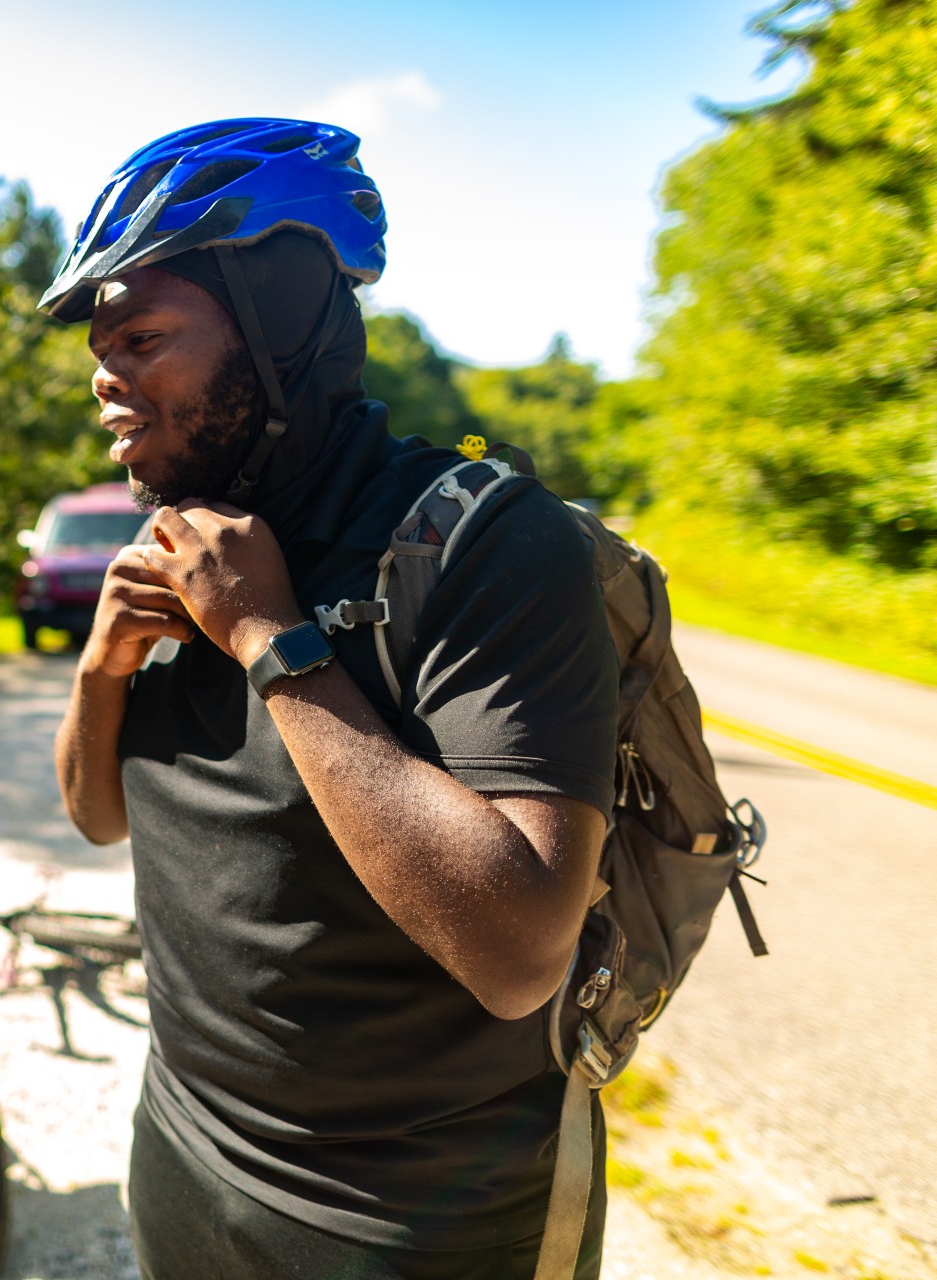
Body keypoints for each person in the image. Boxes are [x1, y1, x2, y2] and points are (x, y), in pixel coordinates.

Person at [43, 119, 619, 1279]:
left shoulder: (483, 541)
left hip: (406, 1220)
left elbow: (518, 950)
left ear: (282, 328)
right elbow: (101, 814)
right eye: (100, 349)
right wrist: (102, 671)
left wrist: (269, 637)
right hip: (184, 1157)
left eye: (144, 337)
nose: (106, 378)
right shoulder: (189, 539)